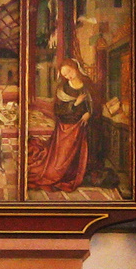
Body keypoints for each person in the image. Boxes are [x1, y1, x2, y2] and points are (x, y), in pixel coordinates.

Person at [28, 59, 93, 192]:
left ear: (75, 67)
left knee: (78, 157)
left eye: (69, 71)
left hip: (82, 127)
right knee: (60, 160)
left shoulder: (86, 85)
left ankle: (73, 173)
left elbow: (93, 104)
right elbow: (59, 111)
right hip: (66, 127)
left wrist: (88, 113)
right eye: (65, 75)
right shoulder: (63, 88)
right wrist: (75, 104)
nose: (68, 76)